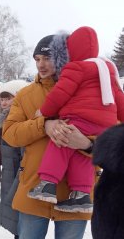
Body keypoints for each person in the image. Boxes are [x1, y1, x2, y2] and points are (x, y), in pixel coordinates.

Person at [0, 35, 99, 239]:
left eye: (48, 58)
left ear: (63, 57)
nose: (42, 65)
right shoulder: (27, 95)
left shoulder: (91, 91)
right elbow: (10, 134)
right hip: (36, 185)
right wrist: (44, 123)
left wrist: (89, 144)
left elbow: (116, 134)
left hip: (77, 191)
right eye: (37, 59)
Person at [27, 26, 124, 214]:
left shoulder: (76, 67)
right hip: (103, 125)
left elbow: (60, 94)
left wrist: (45, 112)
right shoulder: (108, 69)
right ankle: (81, 195)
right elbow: (119, 98)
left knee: (60, 143)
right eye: (38, 60)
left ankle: (47, 184)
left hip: (80, 118)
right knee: (82, 155)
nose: (41, 64)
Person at [0, 81, 45, 239]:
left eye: (10, 98)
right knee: (17, 228)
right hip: (9, 178)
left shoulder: (24, 122)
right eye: (3, 98)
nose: (6, 102)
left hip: (22, 180)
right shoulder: (4, 121)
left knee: (23, 230)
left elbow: (26, 156)